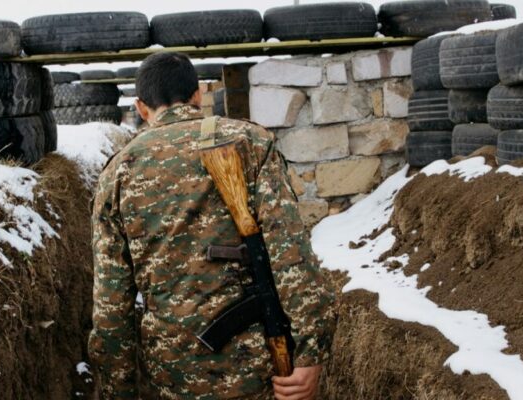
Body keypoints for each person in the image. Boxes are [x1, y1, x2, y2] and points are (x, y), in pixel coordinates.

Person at [89, 52, 337, 400]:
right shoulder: (249, 142)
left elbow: (112, 302)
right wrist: (312, 354)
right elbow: (291, 256)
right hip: (254, 368)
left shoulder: (117, 172)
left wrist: (119, 388)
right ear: (197, 96)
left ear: (142, 108)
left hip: (170, 373)